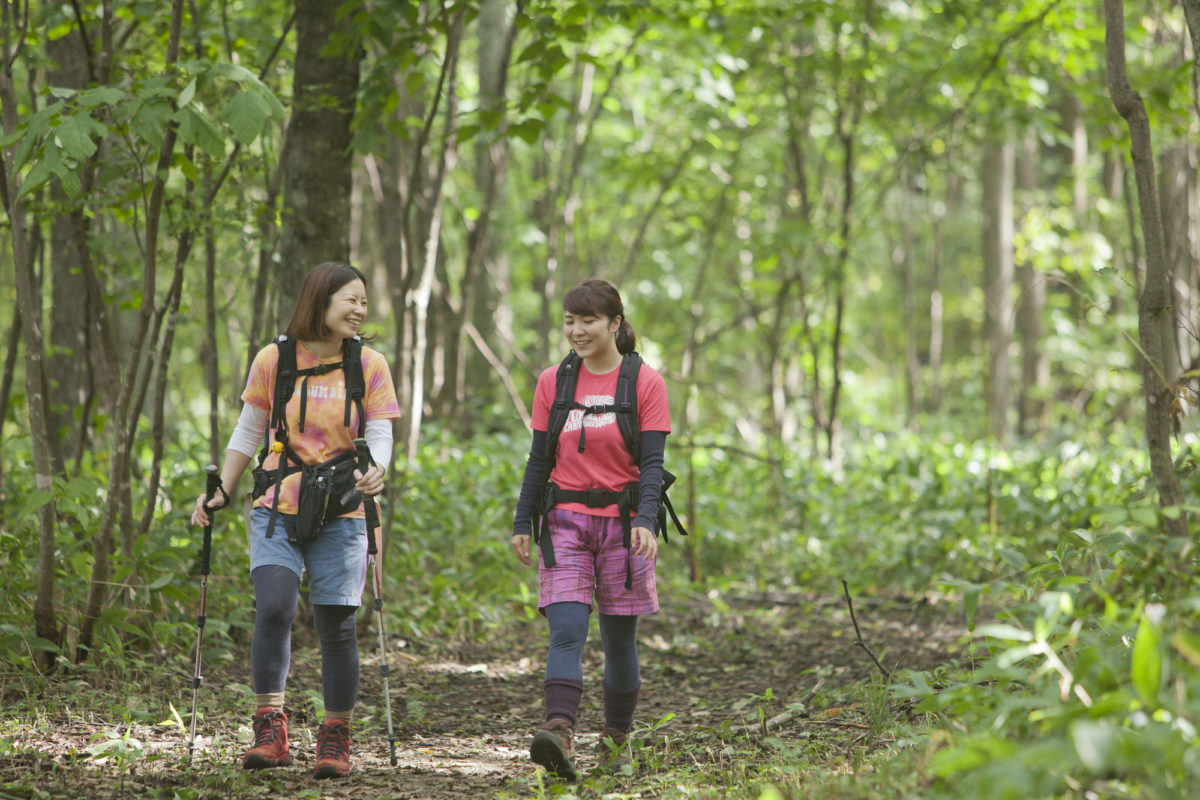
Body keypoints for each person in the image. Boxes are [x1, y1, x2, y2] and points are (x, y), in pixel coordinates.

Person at [191, 262, 400, 779]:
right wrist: (222, 489)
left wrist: (376, 469)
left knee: (337, 626)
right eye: (351, 299)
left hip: (343, 508)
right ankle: (270, 729)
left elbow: (380, 431)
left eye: (364, 301)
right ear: (320, 300)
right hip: (276, 505)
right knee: (274, 608)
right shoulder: (274, 359)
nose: (360, 309)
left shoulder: (369, 364)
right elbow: (249, 430)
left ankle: (335, 736)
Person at [511, 278, 671, 780]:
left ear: (615, 323)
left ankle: (616, 740)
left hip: (624, 526)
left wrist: (646, 519)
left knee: (620, 639)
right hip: (564, 523)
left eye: (588, 321)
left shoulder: (645, 382)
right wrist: (522, 519)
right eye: (569, 321)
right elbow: (539, 459)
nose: (576, 331)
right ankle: (559, 731)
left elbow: (652, 464)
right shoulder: (552, 382)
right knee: (567, 629)